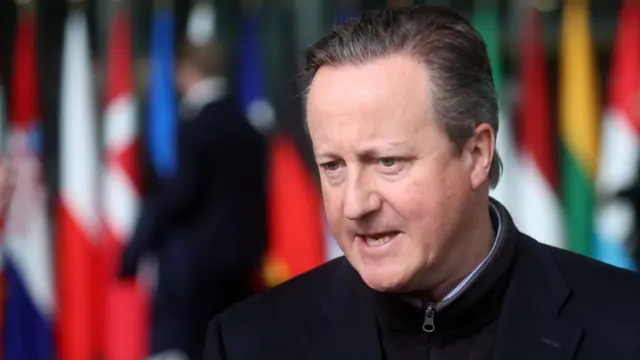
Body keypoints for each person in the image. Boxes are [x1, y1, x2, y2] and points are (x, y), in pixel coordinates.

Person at [202, 6, 640, 360]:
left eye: (388, 161)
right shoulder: (247, 342)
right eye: (333, 166)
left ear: (476, 154)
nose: (354, 204)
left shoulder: (626, 323)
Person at [119, 41, 268, 360]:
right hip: (244, 260)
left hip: (199, 268)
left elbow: (182, 193)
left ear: (185, 72)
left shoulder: (197, 125)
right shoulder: (246, 123)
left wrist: (137, 247)